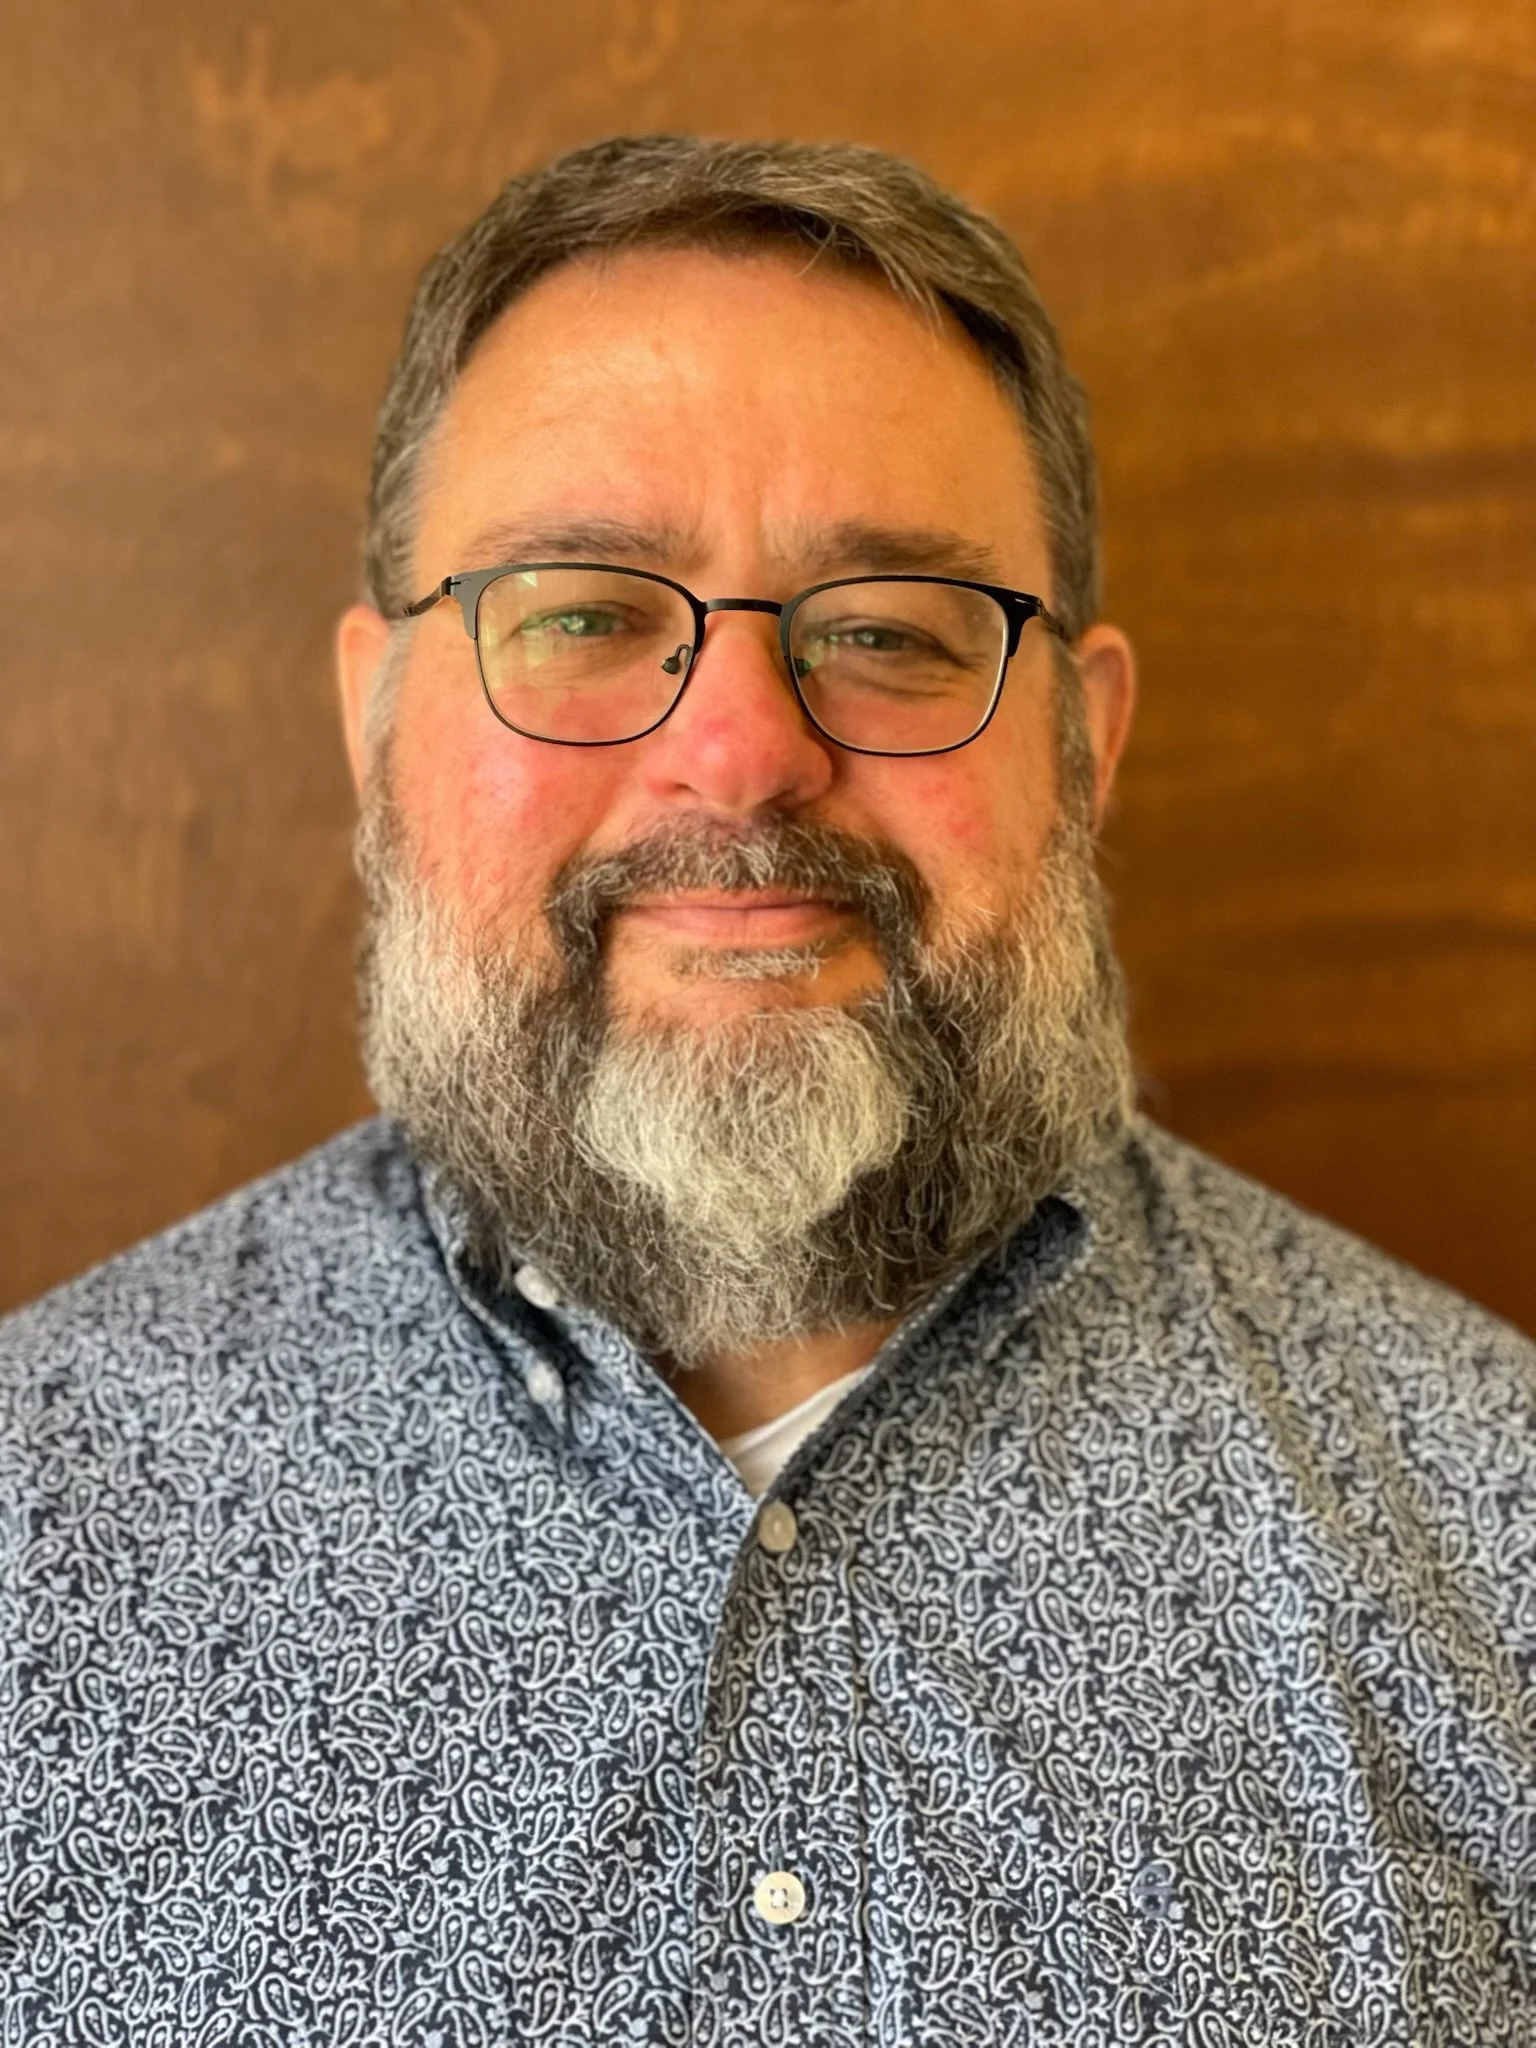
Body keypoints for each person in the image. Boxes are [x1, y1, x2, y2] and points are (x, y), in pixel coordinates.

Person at [1, 135, 1532, 2046]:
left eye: (888, 630)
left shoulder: (1501, 1534)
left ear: (1088, 742)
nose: (738, 756)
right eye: (580, 613)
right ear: (376, 721)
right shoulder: (35, 1521)